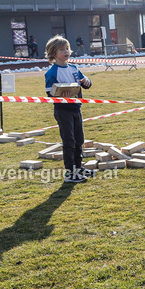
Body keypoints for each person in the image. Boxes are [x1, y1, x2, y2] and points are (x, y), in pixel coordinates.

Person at [44, 35, 93, 184]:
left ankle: (78, 167)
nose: (66, 52)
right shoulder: (52, 72)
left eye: (67, 48)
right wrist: (60, 94)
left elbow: (87, 84)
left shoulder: (74, 68)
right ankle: (70, 172)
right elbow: (49, 93)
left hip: (76, 108)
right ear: (53, 54)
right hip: (63, 110)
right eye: (61, 50)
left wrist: (86, 81)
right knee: (69, 141)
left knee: (79, 140)